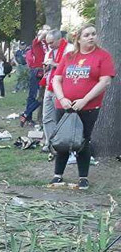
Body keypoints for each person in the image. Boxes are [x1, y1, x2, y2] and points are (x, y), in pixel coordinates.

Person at [49, 24, 115, 190]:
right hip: (64, 105)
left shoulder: (103, 56)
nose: (91, 37)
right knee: (62, 140)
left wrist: (84, 100)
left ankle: (83, 178)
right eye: (86, 35)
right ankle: (58, 175)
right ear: (78, 38)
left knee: (83, 140)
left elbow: (105, 81)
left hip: (88, 107)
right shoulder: (69, 56)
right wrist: (62, 98)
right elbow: (56, 79)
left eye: (93, 34)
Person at [41, 29, 70, 154]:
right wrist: (46, 67)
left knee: (61, 117)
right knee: (47, 117)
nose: (49, 45)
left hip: (63, 88)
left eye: (51, 42)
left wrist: (55, 64)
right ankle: (49, 142)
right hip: (49, 86)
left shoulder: (70, 49)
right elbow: (47, 69)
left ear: (59, 39)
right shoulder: (49, 52)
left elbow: (71, 68)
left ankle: (61, 144)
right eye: (47, 43)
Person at [21, 25, 50, 127]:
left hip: (46, 70)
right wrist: (45, 30)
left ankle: (26, 114)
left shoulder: (48, 43)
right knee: (34, 95)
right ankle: (27, 115)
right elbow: (42, 35)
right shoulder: (36, 42)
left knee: (42, 96)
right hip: (38, 71)